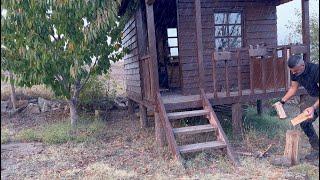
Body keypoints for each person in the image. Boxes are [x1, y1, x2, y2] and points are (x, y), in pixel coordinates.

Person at [278, 54, 319, 160]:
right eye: (292, 71)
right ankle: (317, 149)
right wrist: (282, 101)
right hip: (314, 97)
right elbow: (293, 88)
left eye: (295, 71)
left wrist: (313, 108)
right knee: (304, 122)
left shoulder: (316, 70)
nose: (293, 73)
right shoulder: (295, 72)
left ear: (302, 65)